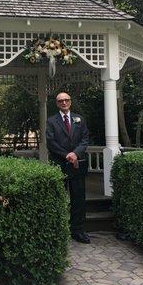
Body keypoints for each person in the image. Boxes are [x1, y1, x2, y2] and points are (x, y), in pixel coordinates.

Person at [46, 92, 90, 244]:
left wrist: (75, 154)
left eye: (66, 100)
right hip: (59, 164)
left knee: (78, 198)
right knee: (58, 198)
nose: (64, 103)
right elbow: (50, 142)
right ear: (57, 104)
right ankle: (58, 230)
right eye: (60, 101)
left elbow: (85, 140)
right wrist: (67, 155)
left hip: (77, 164)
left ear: (70, 102)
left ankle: (78, 230)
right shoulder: (51, 121)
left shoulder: (80, 119)